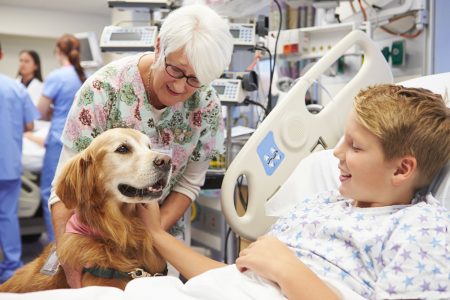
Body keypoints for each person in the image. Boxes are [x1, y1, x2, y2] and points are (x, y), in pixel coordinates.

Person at [138, 84, 450, 300]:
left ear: (401, 169)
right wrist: (155, 233)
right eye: (343, 139)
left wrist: (287, 269)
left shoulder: (420, 228)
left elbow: (275, 272)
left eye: (355, 146)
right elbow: (234, 278)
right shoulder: (320, 205)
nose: (337, 153)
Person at [49, 4, 234, 288]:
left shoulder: (206, 105)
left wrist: (148, 237)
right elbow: (66, 187)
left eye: (196, 79)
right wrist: (70, 264)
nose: (182, 88)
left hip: (159, 237)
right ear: (159, 46)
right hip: (94, 241)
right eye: (176, 70)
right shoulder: (103, 90)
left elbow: (189, 183)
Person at [37, 34, 86, 243]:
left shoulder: (57, 76)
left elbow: (40, 110)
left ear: (58, 51)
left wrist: (55, 112)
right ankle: (75, 245)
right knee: (78, 198)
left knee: (53, 195)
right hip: (83, 143)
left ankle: (56, 250)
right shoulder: (85, 76)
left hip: (59, 141)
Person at [0, 42, 40, 283]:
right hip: (8, 165)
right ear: (2, 55)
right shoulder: (15, 89)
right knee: (7, 216)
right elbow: (30, 125)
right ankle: (11, 266)